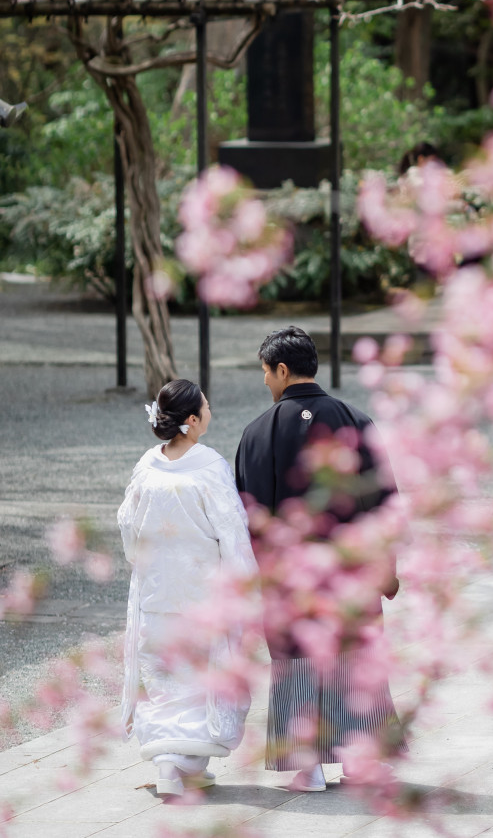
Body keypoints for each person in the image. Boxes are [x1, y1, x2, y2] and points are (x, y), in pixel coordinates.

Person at [235, 324, 401, 794]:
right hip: (351, 573)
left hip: (289, 578)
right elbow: (385, 502)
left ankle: (306, 767)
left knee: (297, 660)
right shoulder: (357, 420)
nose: (265, 382)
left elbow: (249, 518)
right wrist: (387, 567)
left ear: (283, 370)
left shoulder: (255, 435)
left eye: (266, 373)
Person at [118, 379, 257, 800]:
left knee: (163, 674)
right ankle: (188, 762)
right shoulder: (209, 466)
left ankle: (170, 765)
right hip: (202, 592)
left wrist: (144, 562)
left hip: (157, 591)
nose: (211, 412)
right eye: (207, 407)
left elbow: (127, 523)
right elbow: (232, 529)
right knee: (201, 677)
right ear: (192, 420)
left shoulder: (147, 465)